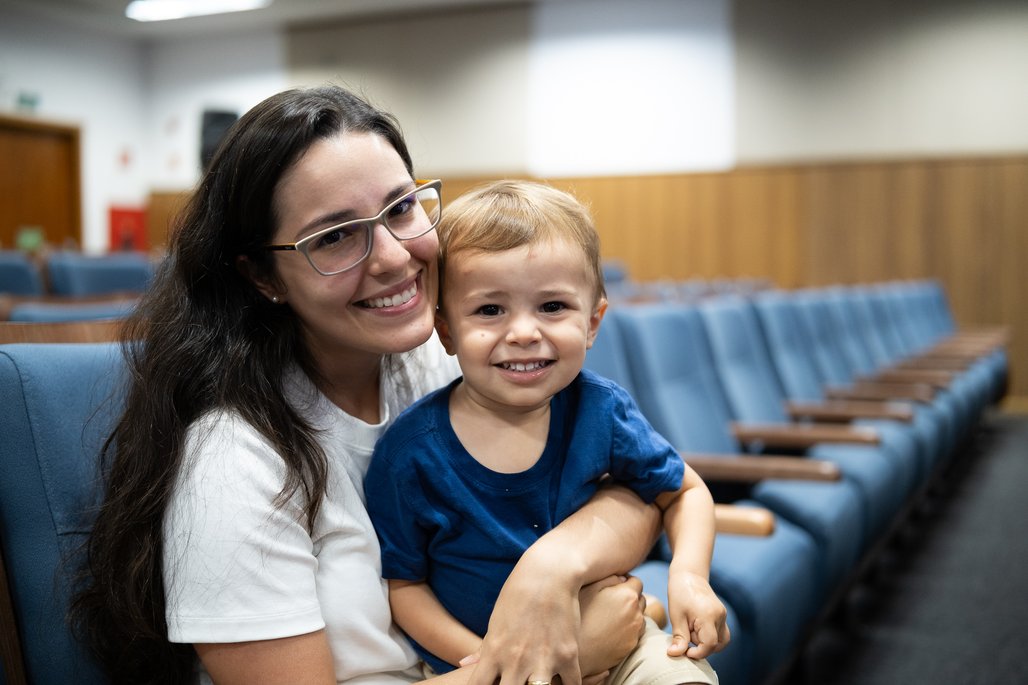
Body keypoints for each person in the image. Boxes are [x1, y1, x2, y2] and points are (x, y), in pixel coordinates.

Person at [70, 86, 669, 685]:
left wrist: (552, 568)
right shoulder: (234, 464)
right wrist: (545, 662)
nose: (391, 256)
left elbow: (637, 490)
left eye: (402, 207)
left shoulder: (440, 361)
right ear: (262, 277)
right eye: (334, 237)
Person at [364, 181, 729, 684]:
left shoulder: (601, 409)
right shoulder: (410, 453)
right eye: (490, 310)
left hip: (616, 648)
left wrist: (689, 576)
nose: (523, 332)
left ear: (593, 322)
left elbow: (683, 491)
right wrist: (495, 661)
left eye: (552, 307)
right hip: (477, 666)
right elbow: (405, 587)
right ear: (446, 332)